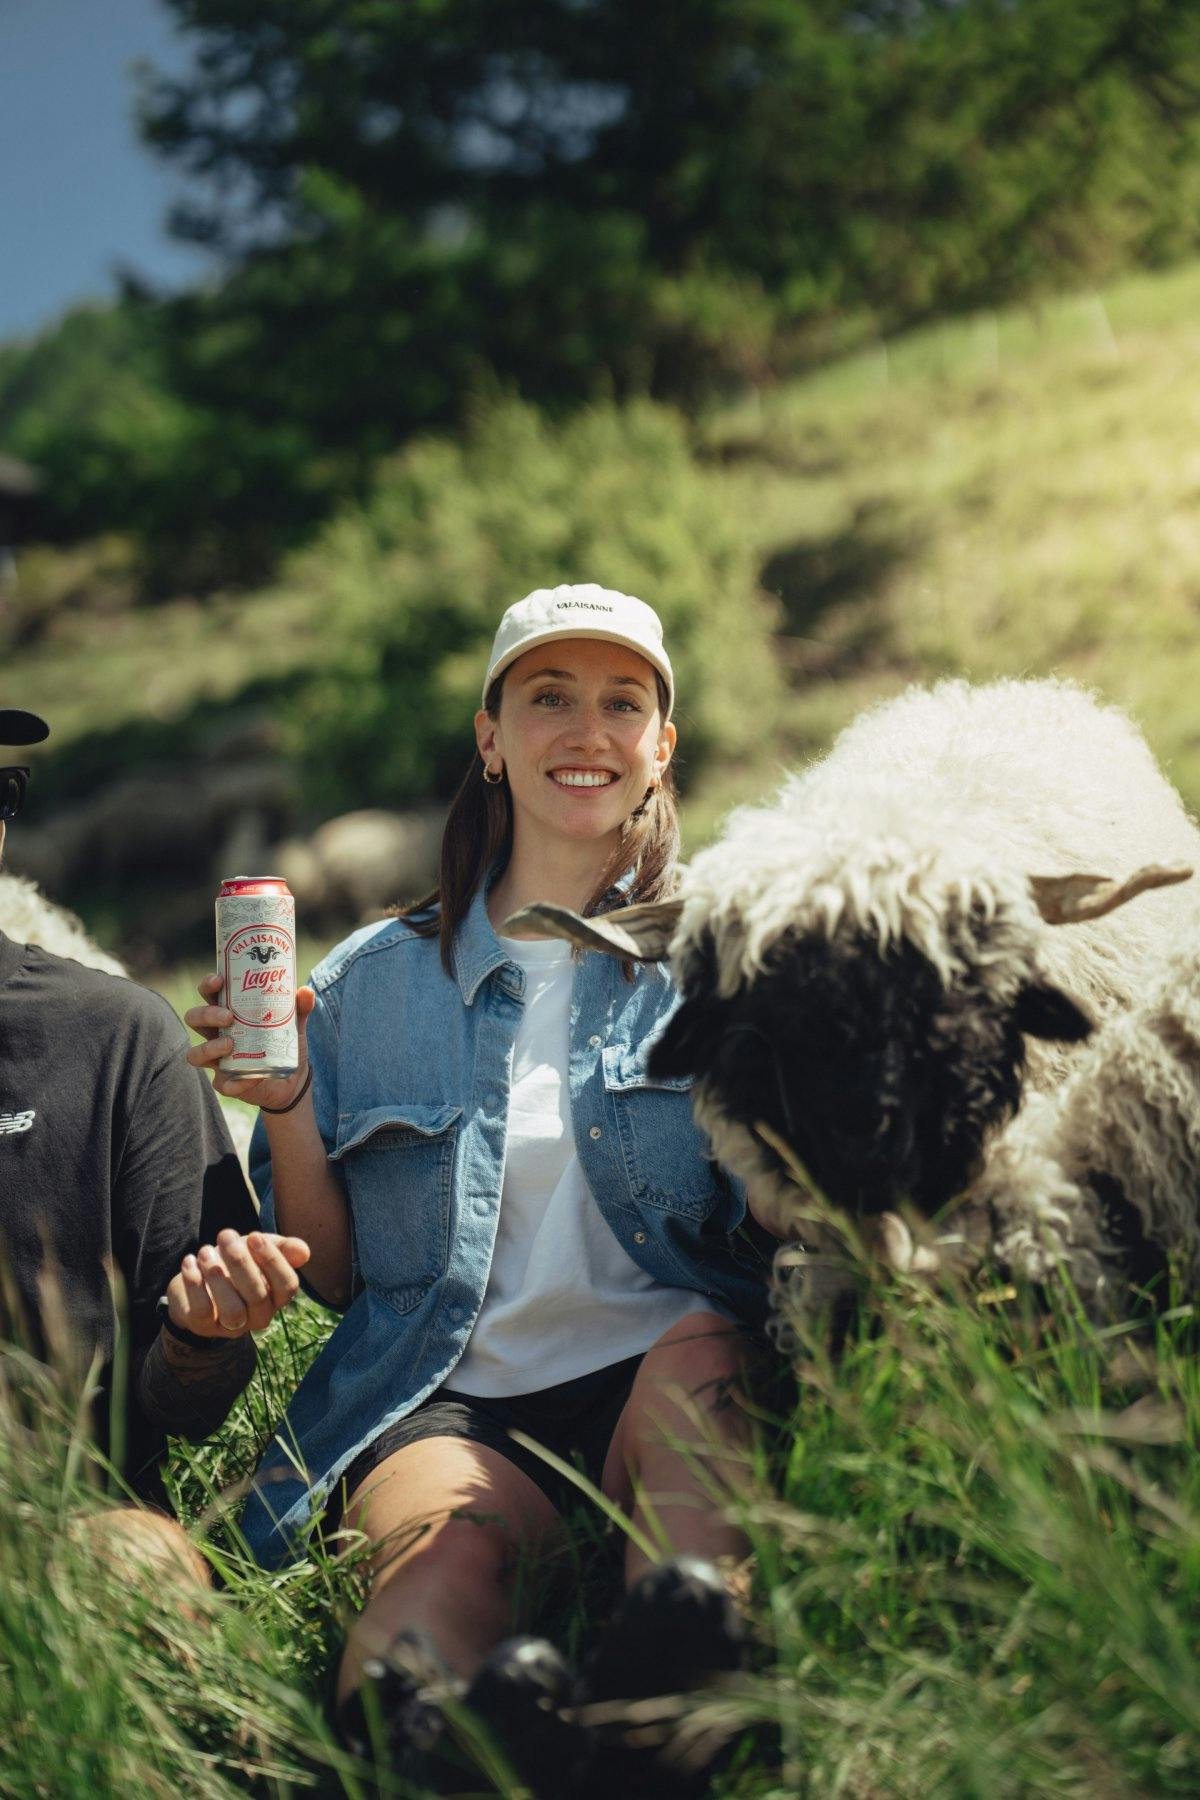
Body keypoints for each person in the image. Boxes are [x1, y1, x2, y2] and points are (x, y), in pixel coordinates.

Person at [185, 586, 775, 1789]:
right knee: (441, 1571)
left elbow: (780, 1221)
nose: (585, 730)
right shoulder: (371, 982)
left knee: (707, 1363)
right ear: (490, 738)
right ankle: (430, 1750)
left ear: (662, 746)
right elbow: (335, 1279)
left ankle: (671, 1707)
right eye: (547, 697)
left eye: (622, 703)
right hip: (453, 1394)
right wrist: (286, 1103)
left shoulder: (730, 955)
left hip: (665, 1363)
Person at [0, 704, 308, 1527]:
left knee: (146, 1566)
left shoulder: (116, 1039)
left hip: (73, 1519)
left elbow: (183, 1407)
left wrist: (202, 1337)